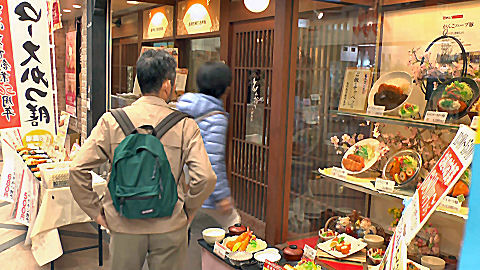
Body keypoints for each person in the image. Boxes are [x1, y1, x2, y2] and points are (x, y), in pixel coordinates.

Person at [69, 49, 216, 270]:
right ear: (167, 85)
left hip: (123, 222)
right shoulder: (185, 124)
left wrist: (96, 213)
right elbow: (205, 177)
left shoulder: (111, 121)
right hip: (169, 224)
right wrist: (188, 211)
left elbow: (77, 169)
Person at [176, 62, 241, 229]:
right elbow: (213, 161)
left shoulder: (183, 106)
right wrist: (222, 196)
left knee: (180, 227)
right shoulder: (216, 118)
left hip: (178, 181)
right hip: (200, 183)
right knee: (234, 224)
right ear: (224, 89)